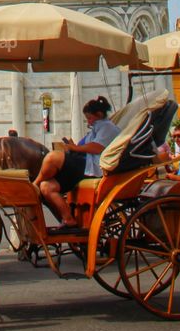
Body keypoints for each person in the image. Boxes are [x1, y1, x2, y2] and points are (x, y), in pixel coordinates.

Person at [33, 97, 120, 231]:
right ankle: (68, 219)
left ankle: (34, 185)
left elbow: (97, 147)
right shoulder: (96, 128)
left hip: (92, 168)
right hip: (82, 166)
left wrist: (75, 148)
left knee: (52, 158)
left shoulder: (107, 127)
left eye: (90, 118)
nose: (89, 122)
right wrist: (74, 146)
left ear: (99, 115)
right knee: (47, 187)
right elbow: (84, 145)